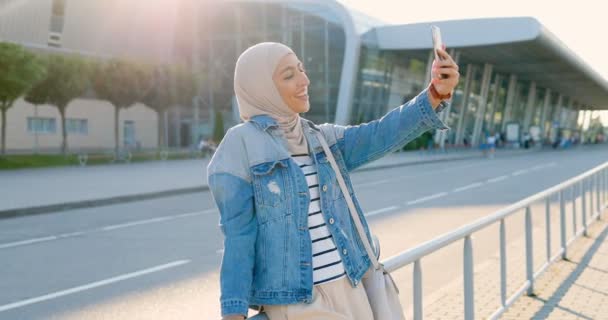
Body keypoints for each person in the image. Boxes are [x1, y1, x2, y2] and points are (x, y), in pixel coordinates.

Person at [207, 42, 459, 320]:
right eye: (289, 75)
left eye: (302, 70)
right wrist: (233, 313)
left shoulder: (321, 138)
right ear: (260, 86)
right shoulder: (239, 146)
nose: (304, 80)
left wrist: (436, 93)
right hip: (298, 304)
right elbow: (238, 239)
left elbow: (382, 133)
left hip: (353, 289)